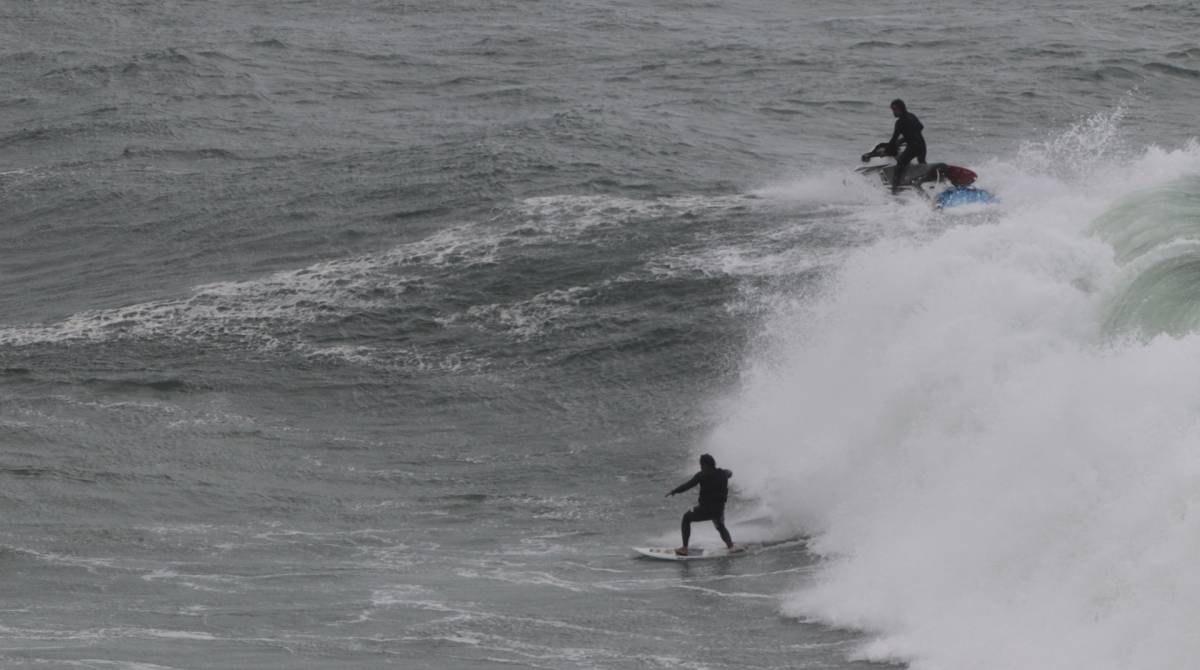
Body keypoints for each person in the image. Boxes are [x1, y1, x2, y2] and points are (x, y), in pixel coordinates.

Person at [665, 453, 735, 556]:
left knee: (686, 518)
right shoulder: (723, 473)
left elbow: (687, 485)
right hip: (718, 510)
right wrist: (727, 474)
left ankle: (684, 548)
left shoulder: (702, 475)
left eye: (701, 465)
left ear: (706, 465)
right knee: (720, 526)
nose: (701, 467)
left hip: (705, 509)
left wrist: (674, 491)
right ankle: (730, 546)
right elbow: (730, 473)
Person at [886, 99, 926, 194]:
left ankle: (894, 190)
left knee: (899, 166)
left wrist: (888, 149)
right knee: (922, 165)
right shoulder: (912, 116)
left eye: (893, 110)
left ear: (898, 109)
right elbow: (920, 127)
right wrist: (904, 139)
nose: (893, 113)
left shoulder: (900, 122)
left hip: (913, 147)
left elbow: (893, 138)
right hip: (922, 145)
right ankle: (924, 186)